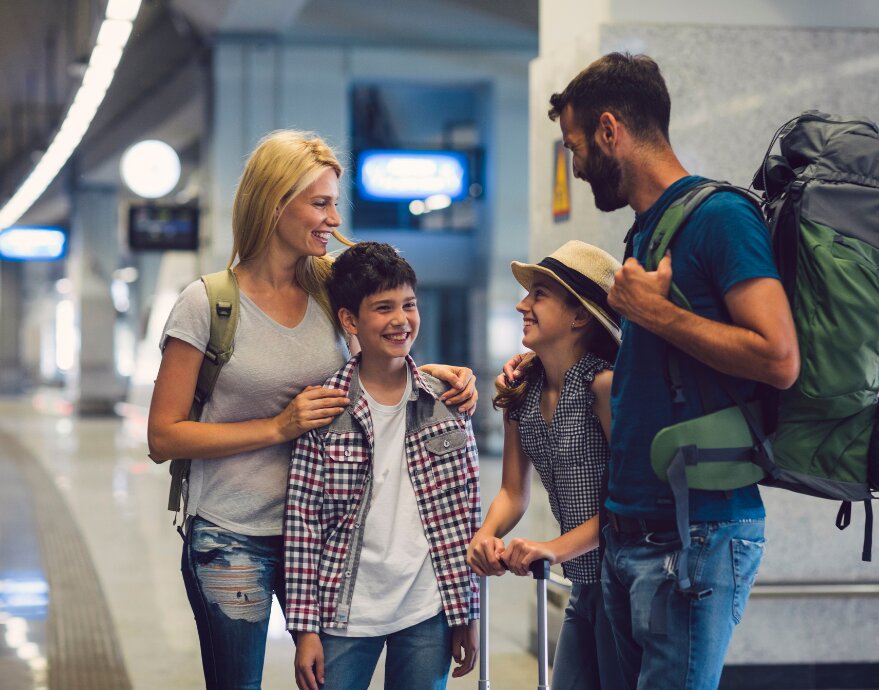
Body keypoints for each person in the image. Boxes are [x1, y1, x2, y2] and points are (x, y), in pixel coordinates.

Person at [506, 53, 800, 689]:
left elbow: (779, 357)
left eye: (576, 147)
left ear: (611, 131)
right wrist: (539, 365)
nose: (576, 165)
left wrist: (658, 315)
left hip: (693, 536)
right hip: (630, 534)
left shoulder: (719, 219)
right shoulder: (647, 234)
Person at [147, 131, 477, 690]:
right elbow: (164, 436)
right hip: (233, 534)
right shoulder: (208, 304)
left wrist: (435, 374)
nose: (332, 218)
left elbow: (374, 363)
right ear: (275, 204)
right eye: (319, 203)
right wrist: (278, 426)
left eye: (333, 204)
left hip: (328, 538)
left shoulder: (329, 290)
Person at [284, 242, 480, 690]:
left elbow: (465, 515)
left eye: (409, 305)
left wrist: (466, 610)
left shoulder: (447, 401)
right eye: (383, 308)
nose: (400, 319)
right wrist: (305, 628)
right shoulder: (325, 408)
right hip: (344, 610)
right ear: (350, 320)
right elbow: (302, 524)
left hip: (427, 610)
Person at [467, 240, 624, 689]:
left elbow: (630, 504)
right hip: (585, 586)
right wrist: (486, 533)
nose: (522, 304)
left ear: (579, 316)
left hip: (626, 584)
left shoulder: (604, 386)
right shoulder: (523, 390)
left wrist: (554, 548)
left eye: (538, 294)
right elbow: (514, 492)